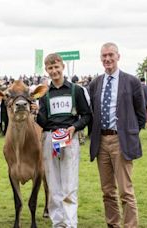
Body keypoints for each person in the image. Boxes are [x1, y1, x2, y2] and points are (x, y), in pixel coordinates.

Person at [89, 42, 145, 228]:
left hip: (121, 141)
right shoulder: (95, 83)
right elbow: (90, 112)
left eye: (111, 55)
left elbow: (141, 115)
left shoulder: (132, 81)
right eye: (104, 56)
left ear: (118, 56)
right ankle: (113, 224)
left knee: (125, 191)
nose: (107, 59)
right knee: (107, 191)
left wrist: (128, 134)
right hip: (101, 142)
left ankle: (130, 226)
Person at [35, 53, 92, 227]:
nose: (54, 71)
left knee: (69, 184)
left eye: (56, 67)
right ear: (46, 70)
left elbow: (87, 115)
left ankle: (70, 223)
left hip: (70, 137)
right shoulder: (44, 94)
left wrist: (75, 127)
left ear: (62, 67)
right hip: (50, 138)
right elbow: (43, 122)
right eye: (50, 68)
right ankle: (57, 223)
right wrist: (36, 112)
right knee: (53, 185)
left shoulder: (76, 90)